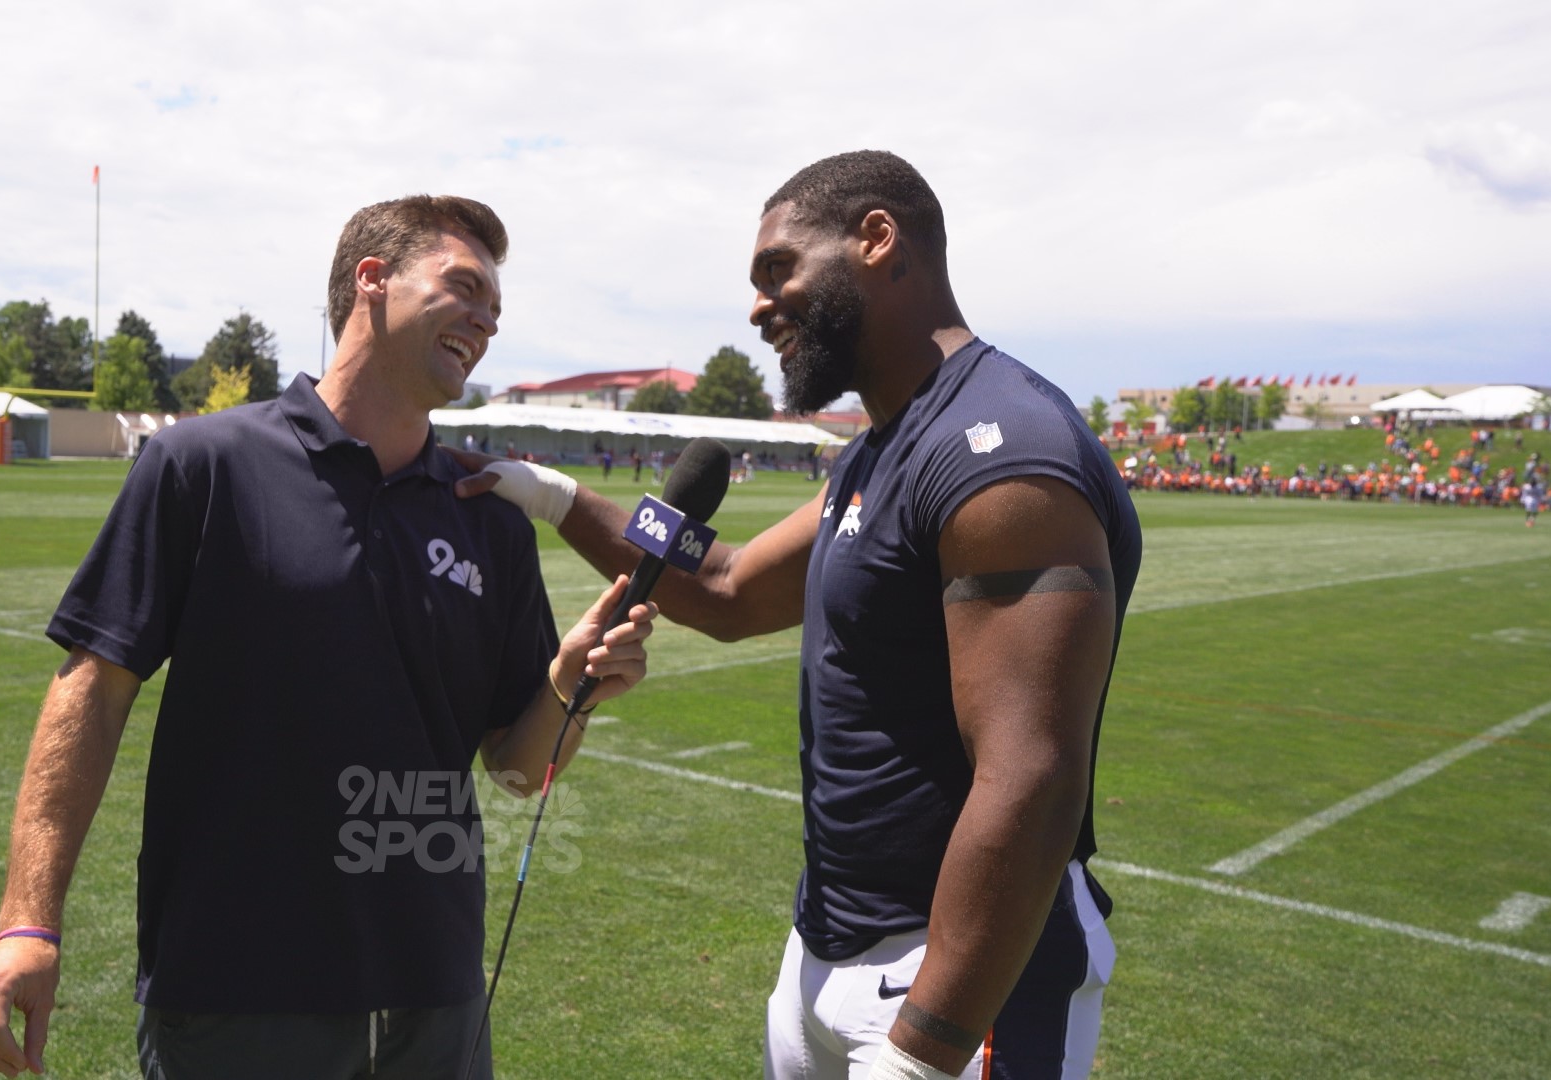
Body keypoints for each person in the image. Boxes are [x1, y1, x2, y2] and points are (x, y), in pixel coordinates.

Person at [459, 152, 1140, 1079]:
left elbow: (1033, 778)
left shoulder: (999, 451)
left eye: (779, 269)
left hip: (953, 979)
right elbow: (731, 588)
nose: (757, 305)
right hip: (828, 946)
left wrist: (924, 1052)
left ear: (876, 239)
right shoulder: (882, 449)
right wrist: (550, 496)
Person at [0, 195, 659, 1080]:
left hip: (435, 1001)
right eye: (464, 286)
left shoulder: (491, 518)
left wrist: (567, 685)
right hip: (238, 996)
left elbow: (517, 772)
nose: (486, 320)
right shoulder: (205, 465)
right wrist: (28, 923)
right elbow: (92, 691)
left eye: (496, 307)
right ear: (371, 281)